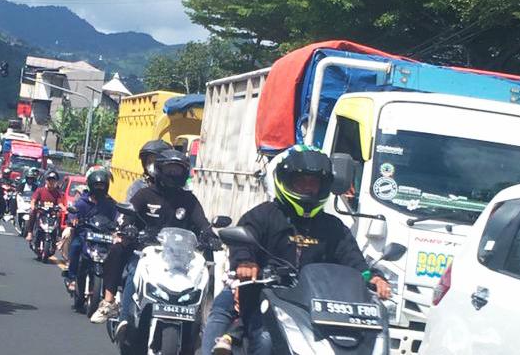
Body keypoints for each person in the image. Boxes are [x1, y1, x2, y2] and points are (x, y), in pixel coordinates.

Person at [202, 146, 392, 355]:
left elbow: (354, 261)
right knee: (261, 338)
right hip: (263, 297)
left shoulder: (333, 227)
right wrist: (246, 263)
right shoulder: (263, 216)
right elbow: (243, 243)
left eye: (313, 183)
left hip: (318, 308)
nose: (308, 189)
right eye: (301, 182)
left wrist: (373, 277)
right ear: (285, 181)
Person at [90, 149, 215, 338]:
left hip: (180, 259)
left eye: (178, 170)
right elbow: (128, 216)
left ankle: (197, 327)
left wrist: (211, 236)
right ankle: (123, 316)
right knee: (131, 269)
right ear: (159, 170)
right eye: (170, 170)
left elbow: (202, 223)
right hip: (145, 252)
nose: (174, 174)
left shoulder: (188, 200)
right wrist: (128, 227)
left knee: (199, 277)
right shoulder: (144, 194)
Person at [63, 168, 118, 291]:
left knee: (116, 254)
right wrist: (74, 219)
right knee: (75, 246)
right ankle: (72, 277)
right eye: (97, 185)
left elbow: (118, 216)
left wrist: (119, 227)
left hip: (104, 237)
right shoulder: (82, 202)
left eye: (102, 185)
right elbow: (73, 212)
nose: (99, 188)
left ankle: (114, 286)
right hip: (84, 235)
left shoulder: (110, 203)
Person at [26, 170, 64, 241]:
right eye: (49, 180)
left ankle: (58, 235)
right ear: (46, 181)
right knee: (32, 212)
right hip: (41, 212)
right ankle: (30, 232)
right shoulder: (40, 190)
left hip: (52, 213)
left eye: (53, 180)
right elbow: (33, 200)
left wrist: (64, 209)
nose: (51, 182)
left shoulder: (57, 193)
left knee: (60, 215)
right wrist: (33, 206)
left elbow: (60, 203)